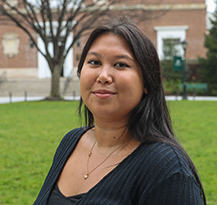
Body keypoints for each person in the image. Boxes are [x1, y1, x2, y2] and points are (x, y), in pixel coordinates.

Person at [33, 16, 206, 205]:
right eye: (94, 62)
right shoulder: (71, 142)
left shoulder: (168, 171)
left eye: (121, 64)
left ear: (147, 82)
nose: (103, 76)